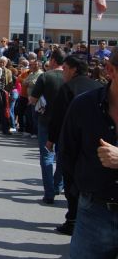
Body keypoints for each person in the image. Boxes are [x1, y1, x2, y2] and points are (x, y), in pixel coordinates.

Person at [60, 47, 118, 258]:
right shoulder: (84, 106)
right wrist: (81, 194)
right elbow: (67, 154)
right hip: (94, 213)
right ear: (110, 70)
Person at [47, 55, 103, 235]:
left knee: (72, 183)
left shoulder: (68, 88)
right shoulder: (99, 87)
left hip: (72, 143)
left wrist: (51, 139)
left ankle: (72, 221)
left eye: (65, 69)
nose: (63, 72)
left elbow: (58, 117)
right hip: (97, 143)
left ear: (74, 69)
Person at [29, 48, 65, 204]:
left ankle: (49, 192)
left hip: (46, 120)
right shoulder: (69, 76)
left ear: (54, 61)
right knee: (62, 155)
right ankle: (58, 186)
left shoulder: (45, 76)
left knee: (46, 156)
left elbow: (33, 99)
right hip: (64, 121)